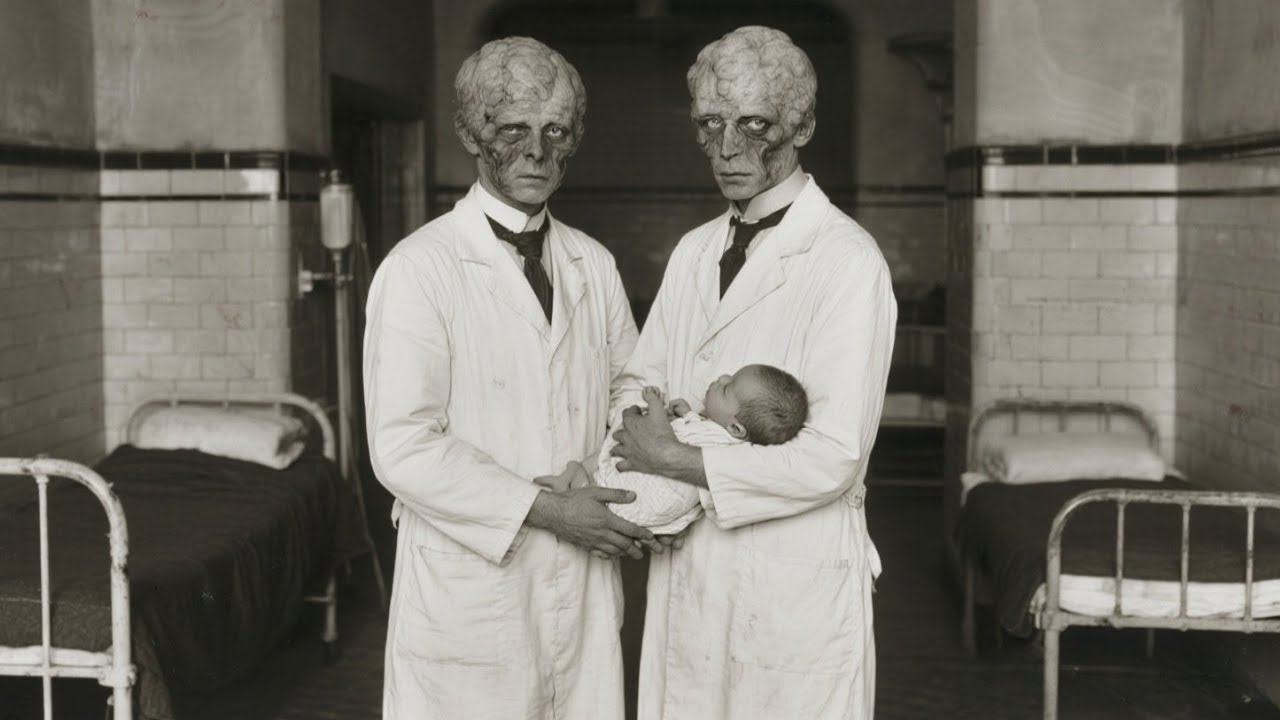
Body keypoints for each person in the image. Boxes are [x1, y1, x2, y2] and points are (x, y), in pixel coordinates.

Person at [609, 26, 898, 719]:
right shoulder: (693, 251)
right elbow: (638, 381)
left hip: (789, 581)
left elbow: (833, 457)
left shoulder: (847, 261)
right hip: (688, 567)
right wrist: (644, 469)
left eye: (754, 124)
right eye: (710, 124)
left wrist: (676, 460)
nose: (727, 147)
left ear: (802, 127)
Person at [362, 36, 652, 719]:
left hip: (579, 585)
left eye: (556, 131)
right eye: (514, 130)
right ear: (471, 133)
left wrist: (599, 466)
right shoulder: (419, 268)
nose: (538, 153)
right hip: (473, 589)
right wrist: (548, 510)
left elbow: (633, 389)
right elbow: (402, 446)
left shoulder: (592, 263)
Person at [593, 364, 808, 534]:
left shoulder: (713, 441)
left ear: (735, 428)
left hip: (653, 493)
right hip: (664, 512)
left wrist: (654, 402)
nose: (722, 377)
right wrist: (688, 414)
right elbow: (699, 430)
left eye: (727, 388)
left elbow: (661, 437)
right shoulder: (726, 440)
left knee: (605, 465)